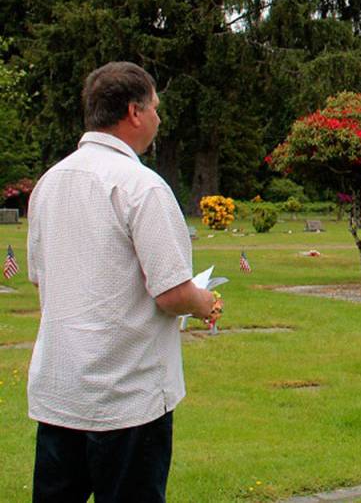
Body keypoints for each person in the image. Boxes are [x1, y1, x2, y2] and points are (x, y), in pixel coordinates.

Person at [27, 62, 218, 502]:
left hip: (61, 390)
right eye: (155, 108)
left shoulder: (49, 184)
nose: (158, 118)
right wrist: (204, 300)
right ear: (134, 112)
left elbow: (44, 281)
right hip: (128, 398)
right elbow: (172, 293)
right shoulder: (141, 186)